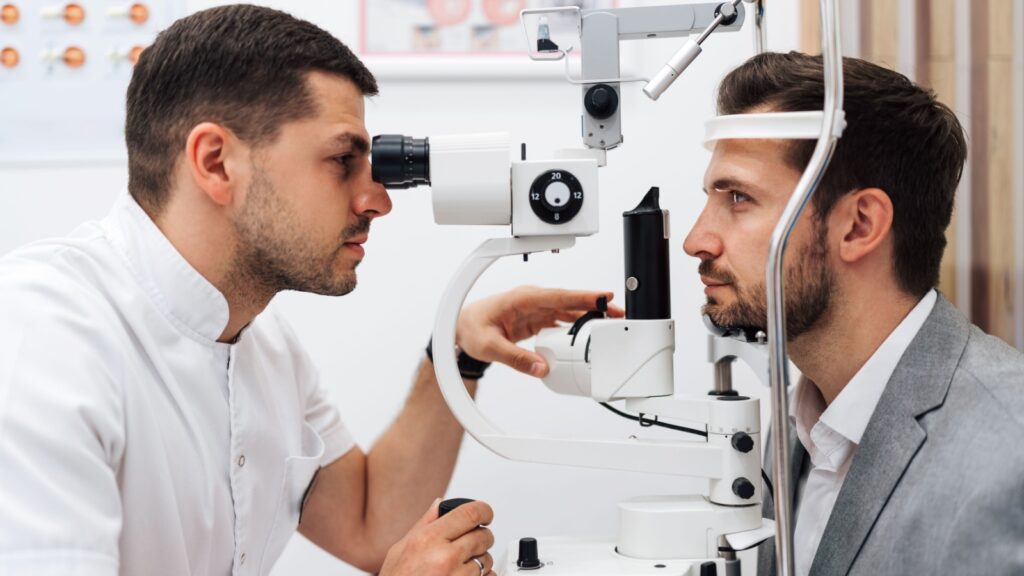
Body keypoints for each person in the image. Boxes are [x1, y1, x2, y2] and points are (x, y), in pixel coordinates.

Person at [0, 5, 621, 576]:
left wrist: (455, 351)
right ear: (216, 162)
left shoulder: (264, 344)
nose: (377, 200)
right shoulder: (42, 342)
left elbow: (372, 526)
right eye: (342, 160)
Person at [684, 51, 1024, 576]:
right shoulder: (804, 422)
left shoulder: (1008, 456)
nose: (695, 240)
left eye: (738, 197)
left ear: (859, 226)